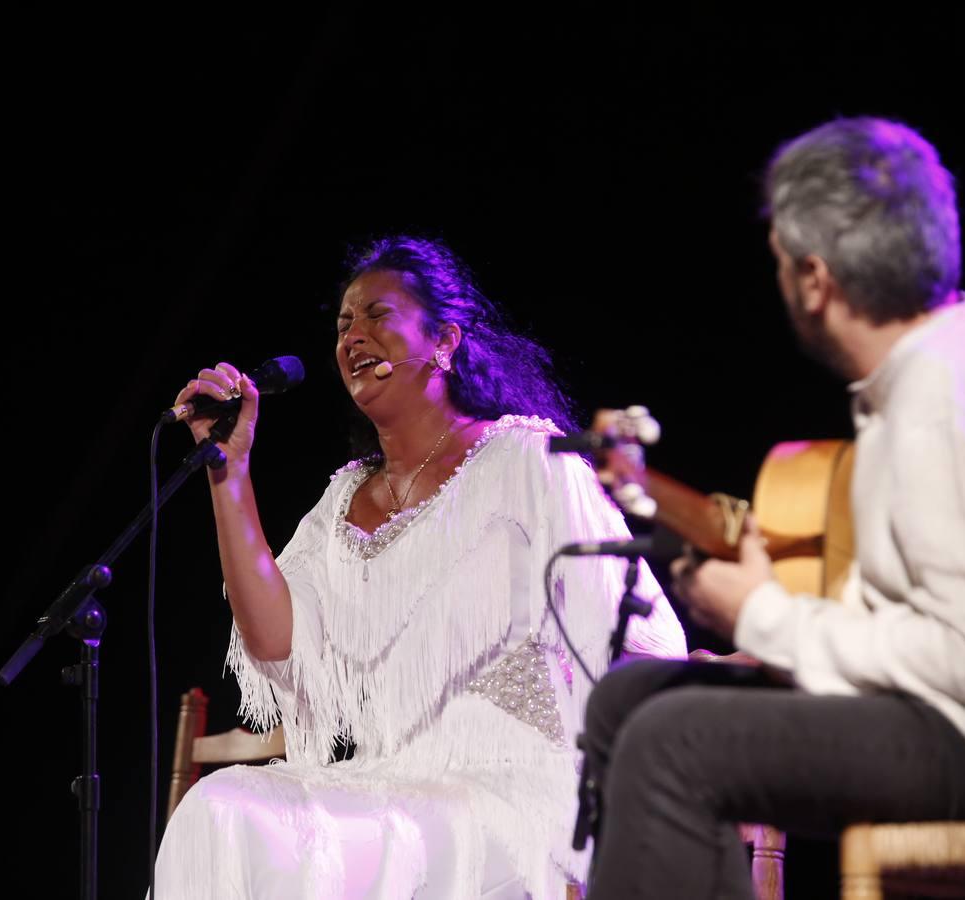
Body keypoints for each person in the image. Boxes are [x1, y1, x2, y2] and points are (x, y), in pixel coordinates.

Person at [580, 117, 965, 898]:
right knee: (632, 699)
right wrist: (773, 652)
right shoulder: (946, 362)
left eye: (775, 264)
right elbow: (936, 607)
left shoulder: (946, 397)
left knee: (673, 743)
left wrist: (763, 614)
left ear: (813, 277)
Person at [150, 235, 687, 900]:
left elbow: (635, 640)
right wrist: (228, 473)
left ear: (444, 342)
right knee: (221, 808)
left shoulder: (530, 464)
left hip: (515, 797)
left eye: (378, 315)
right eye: (344, 323)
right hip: (390, 780)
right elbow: (274, 641)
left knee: (340, 842)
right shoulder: (341, 502)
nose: (353, 336)